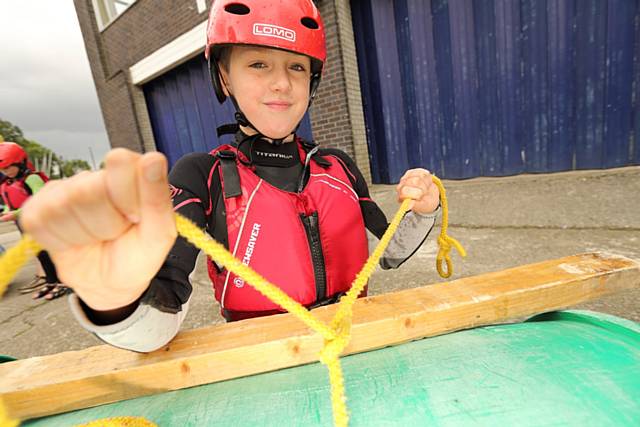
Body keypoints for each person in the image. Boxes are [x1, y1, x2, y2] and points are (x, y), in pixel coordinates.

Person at [20, 0, 440, 352]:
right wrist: (116, 300)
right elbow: (157, 327)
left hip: (357, 344)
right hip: (259, 363)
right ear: (224, 76)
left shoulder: (337, 166)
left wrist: (422, 212)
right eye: (258, 64)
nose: (281, 83)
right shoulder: (202, 174)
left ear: (311, 80)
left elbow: (389, 254)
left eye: (296, 67)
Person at [0, 142, 70, 300]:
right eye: (2, 170)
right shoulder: (7, 183)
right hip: (25, 224)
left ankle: (65, 282)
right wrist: (6, 212)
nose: (5, 172)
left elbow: (40, 200)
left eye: (8, 168)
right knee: (41, 254)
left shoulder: (32, 178)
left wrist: (16, 213)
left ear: (19, 162)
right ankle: (52, 281)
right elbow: (8, 204)